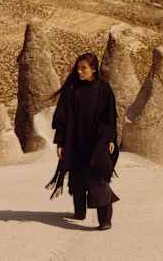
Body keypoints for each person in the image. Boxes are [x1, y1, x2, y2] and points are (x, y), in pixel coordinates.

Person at [48, 52, 120, 230]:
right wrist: (60, 143)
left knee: (99, 179)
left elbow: (110, 117)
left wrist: (110, 139)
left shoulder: (104, 89)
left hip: (98, 142)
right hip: (76, 141)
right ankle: (79, 211)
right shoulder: (71, 90)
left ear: (93, 69)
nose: (79, 72)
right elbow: (62, 119)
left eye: (83, 68)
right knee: (77, 177)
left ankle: (105, 220)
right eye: (78, 68)